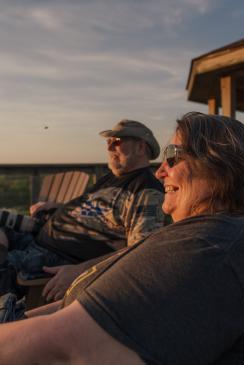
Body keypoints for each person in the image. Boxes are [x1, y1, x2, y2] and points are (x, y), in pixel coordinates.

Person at [0, 112, 244, 365]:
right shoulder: (209, 239)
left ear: (220, 164)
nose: (161, 171)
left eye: (173, 155)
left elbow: (63, 346)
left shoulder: (208, 250)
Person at [0, 119, 165, 301]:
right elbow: (94, 210)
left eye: (116, 141)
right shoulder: (110, 178)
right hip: (39, 235)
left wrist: (81, 271)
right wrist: (59, 208)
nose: (109, 147)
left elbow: (140, 252)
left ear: (141, 147)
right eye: (108, 142)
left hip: (53, 257)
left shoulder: (146, 191)